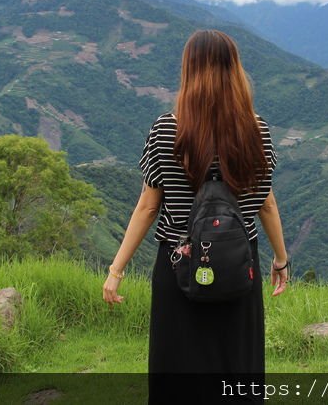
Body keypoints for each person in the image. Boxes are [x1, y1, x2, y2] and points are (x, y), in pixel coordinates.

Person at [102, 29, 290, 403]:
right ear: (234, 70)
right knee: (237, 365)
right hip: (241, 263)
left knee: (178, 369)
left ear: (189, 70)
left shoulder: (167, 128)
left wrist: (116, 270)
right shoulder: (257, 130)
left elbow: (148, 206)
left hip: (179, 265)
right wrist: (281, 259)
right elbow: (265, 202)